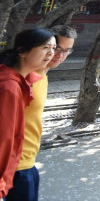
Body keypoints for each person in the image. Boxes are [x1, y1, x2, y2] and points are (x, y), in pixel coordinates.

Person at [9, 24, 74, 201]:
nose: (58, 55)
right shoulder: (21, 78)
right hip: (14, 165)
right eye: (55, 48)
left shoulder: (41, 76)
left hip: (27, 161)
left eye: (66, 51)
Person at [0, 29, 55, 201]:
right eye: (45, 47)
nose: (51, 53)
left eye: (53, 48)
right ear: (22, 51)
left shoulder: (24, 79)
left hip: (24, 163)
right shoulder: (9, 87)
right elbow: (4, 137)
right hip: (15, 167)